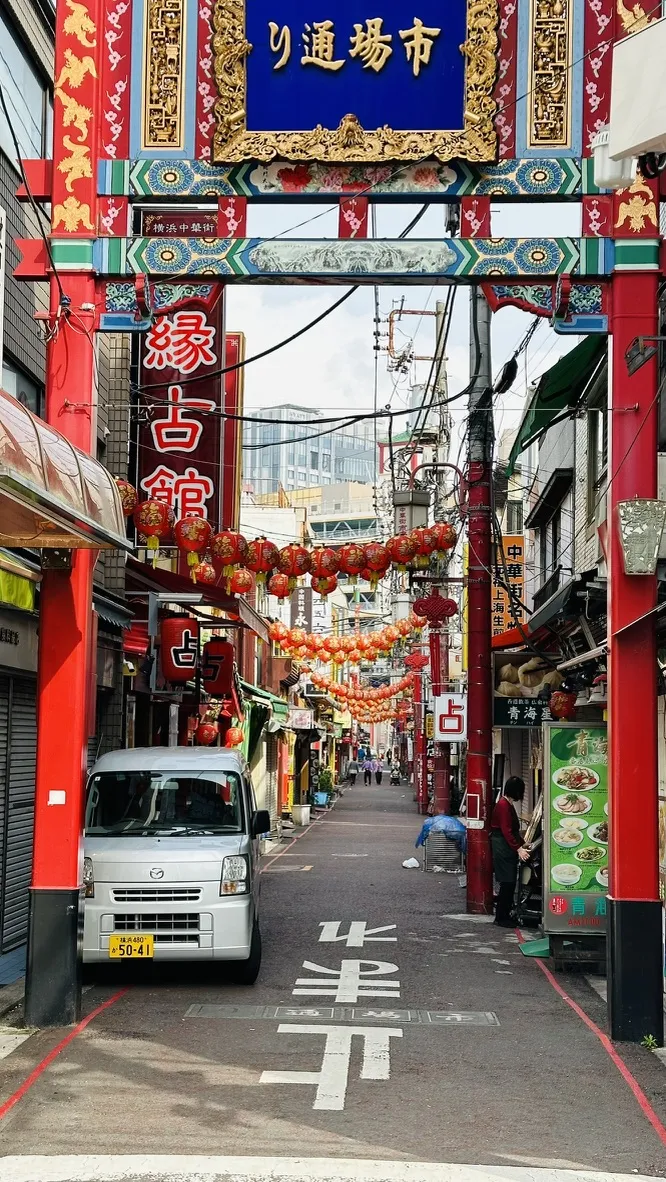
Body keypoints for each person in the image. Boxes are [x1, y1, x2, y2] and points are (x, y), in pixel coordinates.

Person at [490, 776, 530, 927]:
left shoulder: (506, 803)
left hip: (505, 846)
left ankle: (503, 915)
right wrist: (519, 848)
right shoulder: (504, 805)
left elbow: (511, 831)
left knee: (509, 883)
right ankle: (501, 917)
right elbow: (507, 831)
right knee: (508, 882)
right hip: (503, 847)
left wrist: (522, 843)